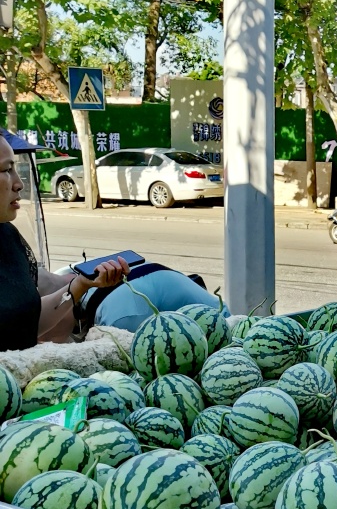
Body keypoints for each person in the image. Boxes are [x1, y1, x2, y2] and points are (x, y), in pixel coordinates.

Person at [0, 132, 224, 349]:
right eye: (6, 170)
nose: (19, 183)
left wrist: (80, 285)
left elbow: (31, 323)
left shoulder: (8, 237)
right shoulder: (115, 312)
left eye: (15, 169)